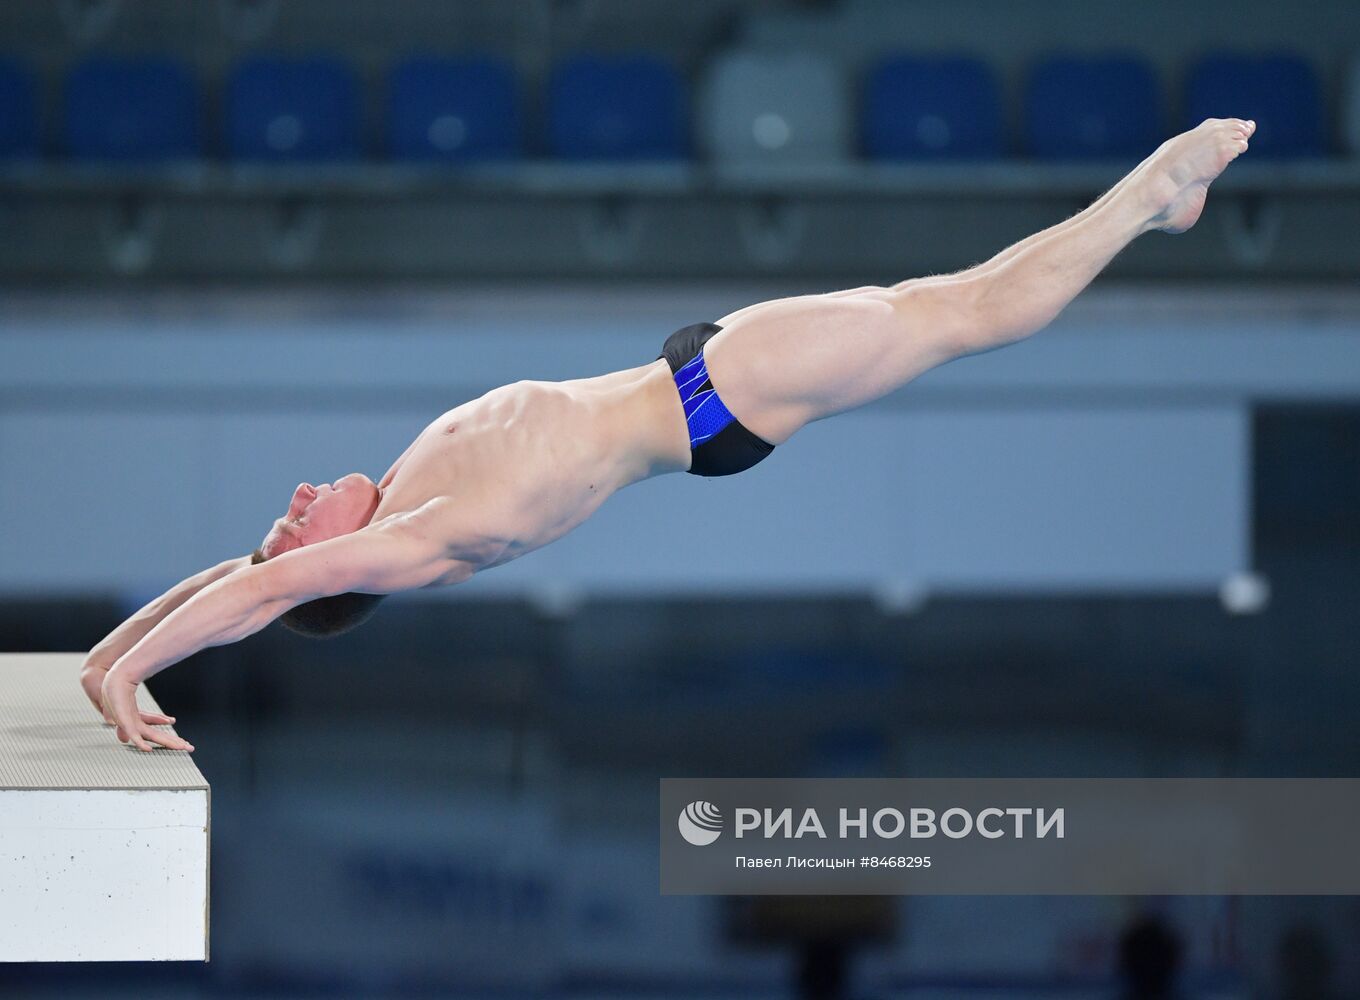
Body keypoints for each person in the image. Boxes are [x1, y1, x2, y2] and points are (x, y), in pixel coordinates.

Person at [79, 118, 1256, 752]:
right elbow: (260, 591)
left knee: (941, 303)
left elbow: (239, 579)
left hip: (693, 380)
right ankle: (1156, 192)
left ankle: (1146, 198)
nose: (295, 500)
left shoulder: (393, 499)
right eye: (295, 528)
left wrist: (102, 660)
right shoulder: (411, 542)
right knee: (959, 312)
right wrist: (143, 672)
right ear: (325, 571)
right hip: (715, 401)